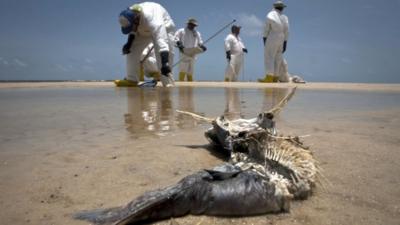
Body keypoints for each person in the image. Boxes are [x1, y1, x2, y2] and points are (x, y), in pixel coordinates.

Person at [116, 2, 175, 87]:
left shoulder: (153, 19)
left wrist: (165, 63)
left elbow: (162, 41)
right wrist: (128, 44)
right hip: (143, 30)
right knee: (132, 50)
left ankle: (167, 83)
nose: (132, 28)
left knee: (163, 57)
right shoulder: (131, 15)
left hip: (165, 28)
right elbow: (133, 30)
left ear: (136, 19)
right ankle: (132, 80)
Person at [259, 0, 289, 83]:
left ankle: (269, 77)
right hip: (282, 38)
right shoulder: (285, 18)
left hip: (273, 36)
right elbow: (287, 31)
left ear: (274, 6)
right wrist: (285, 43)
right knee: (278, 58)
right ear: (282, 8)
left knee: (269, 56)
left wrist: (265, 40)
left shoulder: (270, 14)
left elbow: (266, 29)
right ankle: (275, 77)